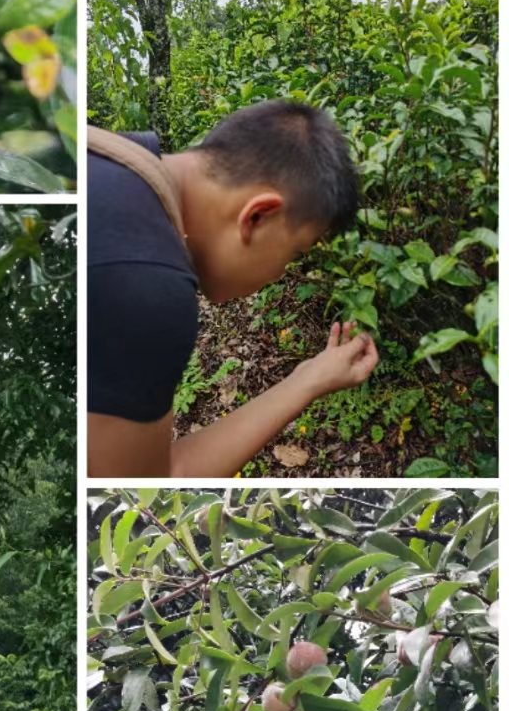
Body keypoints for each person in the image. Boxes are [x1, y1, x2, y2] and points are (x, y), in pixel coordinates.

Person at [88, 100, 378, 478]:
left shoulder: (105, 157)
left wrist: (310, 376)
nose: (280, 274)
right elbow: (152, 484)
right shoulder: (150, 288)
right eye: (293, 254)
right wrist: (306, 385)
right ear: (257, 215)